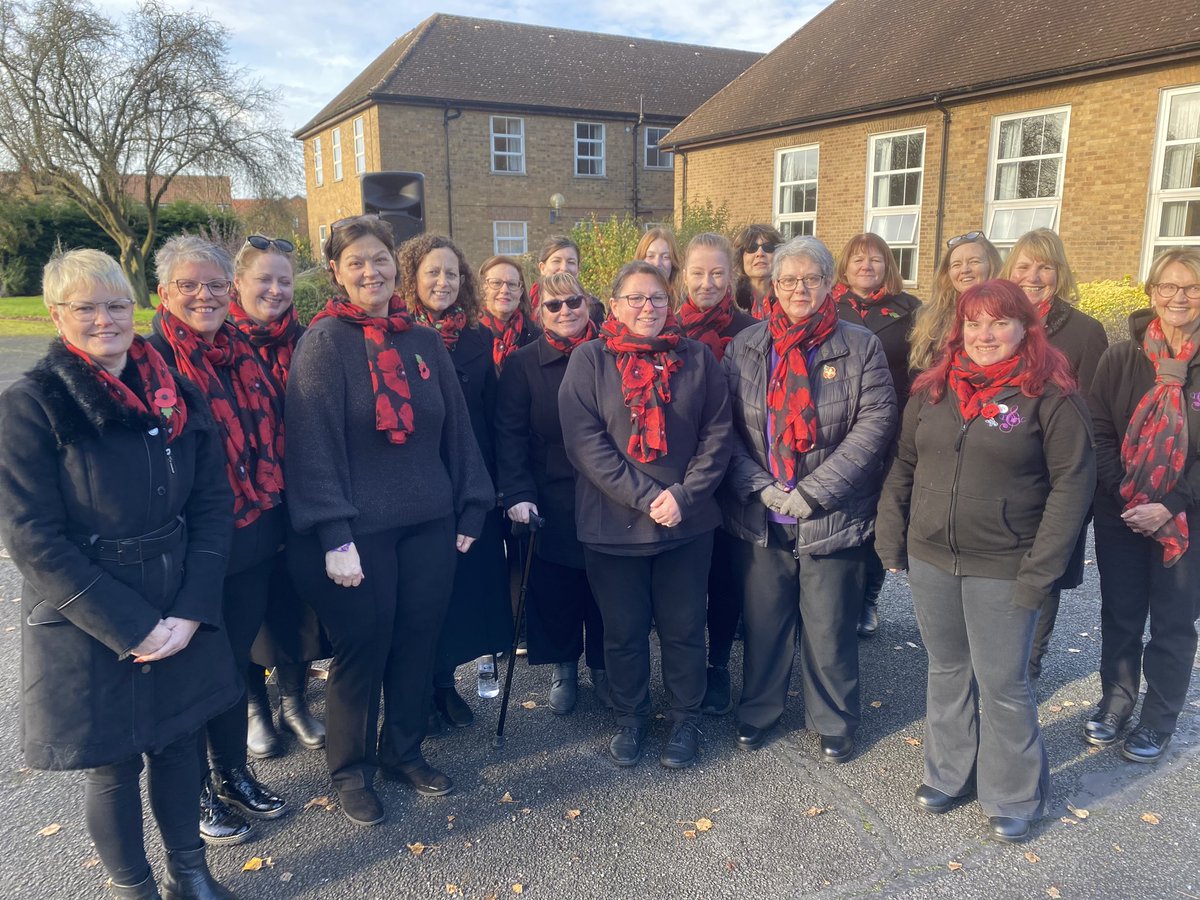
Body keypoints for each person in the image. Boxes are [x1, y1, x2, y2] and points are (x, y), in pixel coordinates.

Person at [0, 249, 240, 898]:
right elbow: (32, 538)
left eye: (115, 304)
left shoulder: (175, 392)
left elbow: (213, 504)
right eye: (86, 307)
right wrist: (131, 627)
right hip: (91, 616)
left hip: (178, 597)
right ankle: (136, 890)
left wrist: (191, 608)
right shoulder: (31, 406)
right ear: (56, 315)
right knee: (113, 768)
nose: (104, 319)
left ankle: (190, 873)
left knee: (181, 745)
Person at [285, 216, 493, 826]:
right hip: (359, 531)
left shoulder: (422, 341)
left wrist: (472, 503)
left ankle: (403, 749)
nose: (370, 271)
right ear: (337, 272)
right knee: (364, 646)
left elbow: (457, 427)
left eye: (379, 260)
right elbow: (311, 443)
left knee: (418, 638)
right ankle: (350, 769)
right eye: (357, 262)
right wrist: (333, 533)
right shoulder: (323, 343)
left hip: (429, 519)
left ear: (392, 267)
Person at [876, 279, 1094, 843]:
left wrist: (1042, 568)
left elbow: (1072, 487)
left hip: (1005, 561)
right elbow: (903, 464)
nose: (984, 335)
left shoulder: (1050, 396)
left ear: (1025, 328)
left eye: (999, 322)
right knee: (946, 668)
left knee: (1003, 682)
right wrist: (892, 530)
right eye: (974, 323)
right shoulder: (932, 390)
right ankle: (950, 772)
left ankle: (1016, 792)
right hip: (932, 557)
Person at [721, 236, 896, 763]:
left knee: (829, 623)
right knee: (765, 621)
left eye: (811, 279)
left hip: (833, 513)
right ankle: (759, 711)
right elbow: (722, 428)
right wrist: (759, 485)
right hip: (761, 511)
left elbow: (876, 423)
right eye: (789, 280)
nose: (800, 289)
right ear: (772, 287)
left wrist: (815, 493)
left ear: (828, 285)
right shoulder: (744, 346)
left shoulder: (861, 345)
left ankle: (834, 721)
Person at [560, 260, 733, 769]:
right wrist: (645, 496)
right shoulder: (589, 361)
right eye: (634, 298)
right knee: (624, 631)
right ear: (612, 306)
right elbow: (585, 443)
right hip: (613, 525)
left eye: (656, 298)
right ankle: (631, 718)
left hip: (687, 522)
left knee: (684, 628)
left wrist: (684, 496)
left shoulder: (698, 358)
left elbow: (718, 436)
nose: (647, 308)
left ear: (669, 303)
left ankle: (685, 719)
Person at [149, 235, 288, 845]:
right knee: (194, 674)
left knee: (233, 665)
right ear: (164, 293)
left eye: (214, 285)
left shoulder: (242, 353)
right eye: (189, 285)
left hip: (252, 536)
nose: (204, 295)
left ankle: (234, 773)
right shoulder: (150, 359)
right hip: (187, 550)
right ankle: (199, 790)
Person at [1084, 248, 1200, 763]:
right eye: (1169, 287)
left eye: (1192, 287)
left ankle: (1158, 719)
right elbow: (1098, 430)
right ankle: (1117, 700)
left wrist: (1169, 503)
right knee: (1122, 613)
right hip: (1122, 511)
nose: (1179, 297)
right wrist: (1129, 497)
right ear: (1151, 293)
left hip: (1186, 518)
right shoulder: (1121, 357)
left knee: (1174, 622)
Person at [398, 234, 511, 729]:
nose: (443, 282)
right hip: (416, 483)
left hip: (469, 480)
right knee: (418, 594)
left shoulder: (478, 339)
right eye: (432, 273)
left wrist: (493, 486)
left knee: (462, 590)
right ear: (412, 279)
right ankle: (415, 691)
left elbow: (491, 416)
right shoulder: (394, 335)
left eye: (451, 273)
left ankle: (446, 686)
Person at [228, 235, 327, 760]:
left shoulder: (308, 341)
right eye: (263, 279)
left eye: (284, 281)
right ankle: (254, 709)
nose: (274, 289)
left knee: (294, 605)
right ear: (238, 284)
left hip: (298, 495)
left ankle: (294, 701)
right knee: (247, 607)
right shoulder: (220, 344)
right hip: (240, 503)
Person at [495, 270, 606, 715]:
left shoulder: (610, 352)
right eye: (554, 306)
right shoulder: (522, 363)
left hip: (605, 489)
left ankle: (603, 667)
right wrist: (518, 492)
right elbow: (509, 435)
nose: (566, 312)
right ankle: (565, 667)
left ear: (588, 304)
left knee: (604, 585)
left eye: (574, 302)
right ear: (539, 313)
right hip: (549, 492)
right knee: (557, 585)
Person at [1000, 228, 1108, 683]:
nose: (1033, 276)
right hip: (999, 474)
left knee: (1042, 578)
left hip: (1055, 478)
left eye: (1044, 266)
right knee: (997, 573)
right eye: (1024, 266)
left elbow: (1097, 415)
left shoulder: (1085, 332)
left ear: (1059, 273)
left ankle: (1027, 666)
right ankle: (992, 662)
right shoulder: (995, 321)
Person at [675, 232, 756, 716]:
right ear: (683, 275)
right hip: (685, 472)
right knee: (687, 577)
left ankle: (719, 663)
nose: (708, 283)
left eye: (718, 273)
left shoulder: (750, 331)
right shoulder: (666, 329)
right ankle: (684, 660)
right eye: (699, 273)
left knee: (726, 573)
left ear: (732, 276)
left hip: (737, 468)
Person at [832, 232, 922, 639]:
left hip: (891, 427)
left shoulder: (911, 311)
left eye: (875, 260)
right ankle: (836, 598)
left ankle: (868, 600)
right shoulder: (830, 308)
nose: (866, 266)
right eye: (858, 260)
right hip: (837, 428)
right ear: (845, 267)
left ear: (889, 265)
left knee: (878, 516)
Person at [908, 231, 1002, 372]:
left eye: (974, 261)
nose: (965, 269)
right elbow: (919, 371)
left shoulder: (1009, 314)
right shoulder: (930, 317)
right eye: (957, 265)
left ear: (992, 265)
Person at [478, 254, 539, 372]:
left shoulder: (535, 337)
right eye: (496, 283)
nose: (504, 290)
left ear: (521, 291)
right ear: (483, 288)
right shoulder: (467, 334)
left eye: (511, 284)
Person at [530, 234, 603, 324]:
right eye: (556, 261)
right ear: (542, 268)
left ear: (578, 269)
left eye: (571, 262)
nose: (564, 268)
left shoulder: (594, 308)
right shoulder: (526, 307)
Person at [732, 224, 784, 318]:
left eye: (768, 247)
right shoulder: (730, 301)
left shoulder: (791, 297)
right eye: (751, 248)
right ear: (741, 257)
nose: (760, 254)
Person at [635, 226, 684, 301]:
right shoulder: (626, 300)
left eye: (665, 257)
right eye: (651, 256)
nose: (657, 263)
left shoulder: (684, 306)